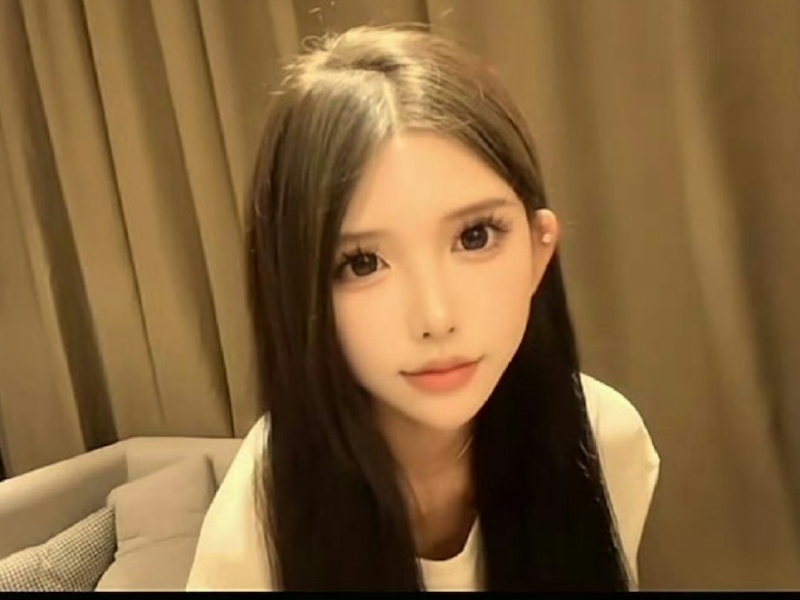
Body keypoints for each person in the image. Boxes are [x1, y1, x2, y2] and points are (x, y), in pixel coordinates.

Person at [186, 24, 659, 592]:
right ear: (298, 295)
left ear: (539, 251)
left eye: (476, 236)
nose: (436, 317)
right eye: (362, 263)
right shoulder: (257, 526)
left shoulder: (603, 441)